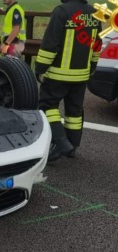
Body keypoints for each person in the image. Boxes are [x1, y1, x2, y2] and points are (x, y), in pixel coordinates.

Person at [35, 0, 102, 162]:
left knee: (46, 105)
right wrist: (92, 65)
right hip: (81, 75)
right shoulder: (94, 13)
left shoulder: (62, 11)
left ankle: (61, 142)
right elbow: (97, 45)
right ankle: (72, 146)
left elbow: (50, 43)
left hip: (59, 74)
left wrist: (40, 68)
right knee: (74, 111)